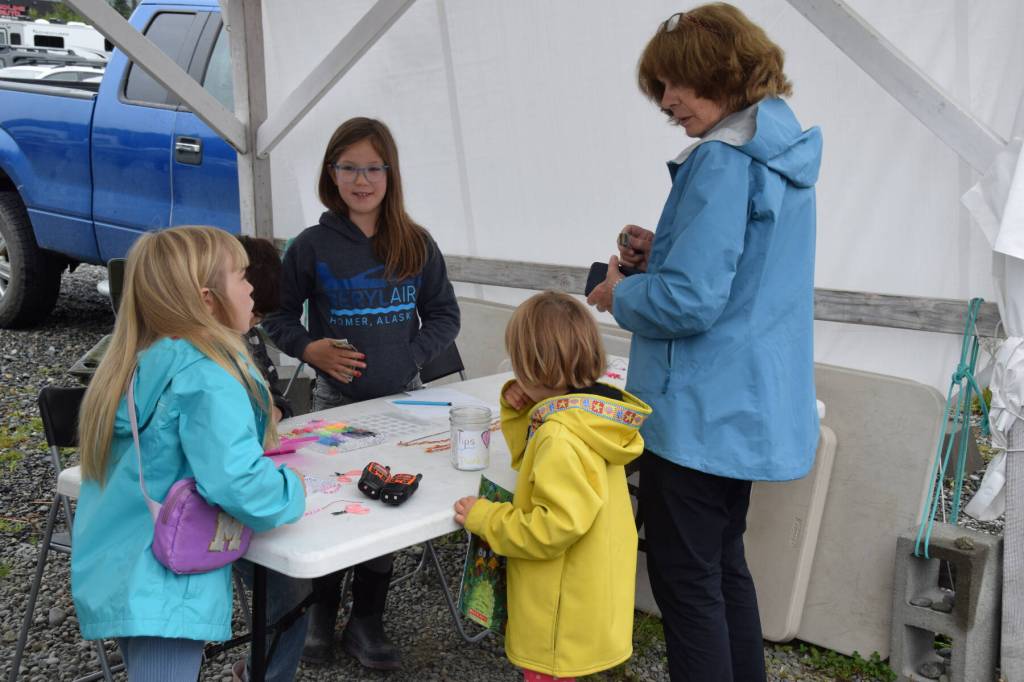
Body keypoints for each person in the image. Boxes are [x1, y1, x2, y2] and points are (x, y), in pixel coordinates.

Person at [586, 5, 822, 680]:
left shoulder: (720, 159)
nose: (666, 102)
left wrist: (618, 294)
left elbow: (690, 302)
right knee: (724, 568)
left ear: (713, 71)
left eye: (673, 84)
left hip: (697, 412)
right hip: (743, 407)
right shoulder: (778, 149)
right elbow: (746, 272)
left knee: (688, 586)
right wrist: (668, 250)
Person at [263, 116, 460, 669]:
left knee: (388, 507)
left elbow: (444, 314)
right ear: (332, 174)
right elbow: (276, 315)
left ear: (391, 174)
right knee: (333, 506)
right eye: (348, 166)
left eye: (373, 167)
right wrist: (309, 350)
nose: (362, 179)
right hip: (335, 403)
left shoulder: (416, 243)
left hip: (403, 400)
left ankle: (367, 621)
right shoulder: (311, 245)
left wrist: (411, 355)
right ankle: (321, 616)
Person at [72, 226, 306, 682]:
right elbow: (236, 481)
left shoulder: (138, 359)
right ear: (207, 299)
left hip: (125, 561)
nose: (251, 287)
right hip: (167, 574)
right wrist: (291, 491)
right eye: (241, 277)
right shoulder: (209, 375)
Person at [453, 291, 652, 682]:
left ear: (530, 364)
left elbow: (551, 528)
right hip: (586, 595)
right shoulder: (587, 414)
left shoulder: (559, 436)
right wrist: (522, 410)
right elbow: (530, 465)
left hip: (559, 613)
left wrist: (487, 518)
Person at [231, 234, 310, 682]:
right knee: (289, 580)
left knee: (293, 576)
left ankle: (261, 670)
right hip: (205, 517)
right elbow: (228, 475)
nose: (254, 320)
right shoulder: (200, 361)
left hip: (248, 488)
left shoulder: (248, 338)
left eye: (259, 314)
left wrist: (274, 411)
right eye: (253, 308)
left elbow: (279, 400)